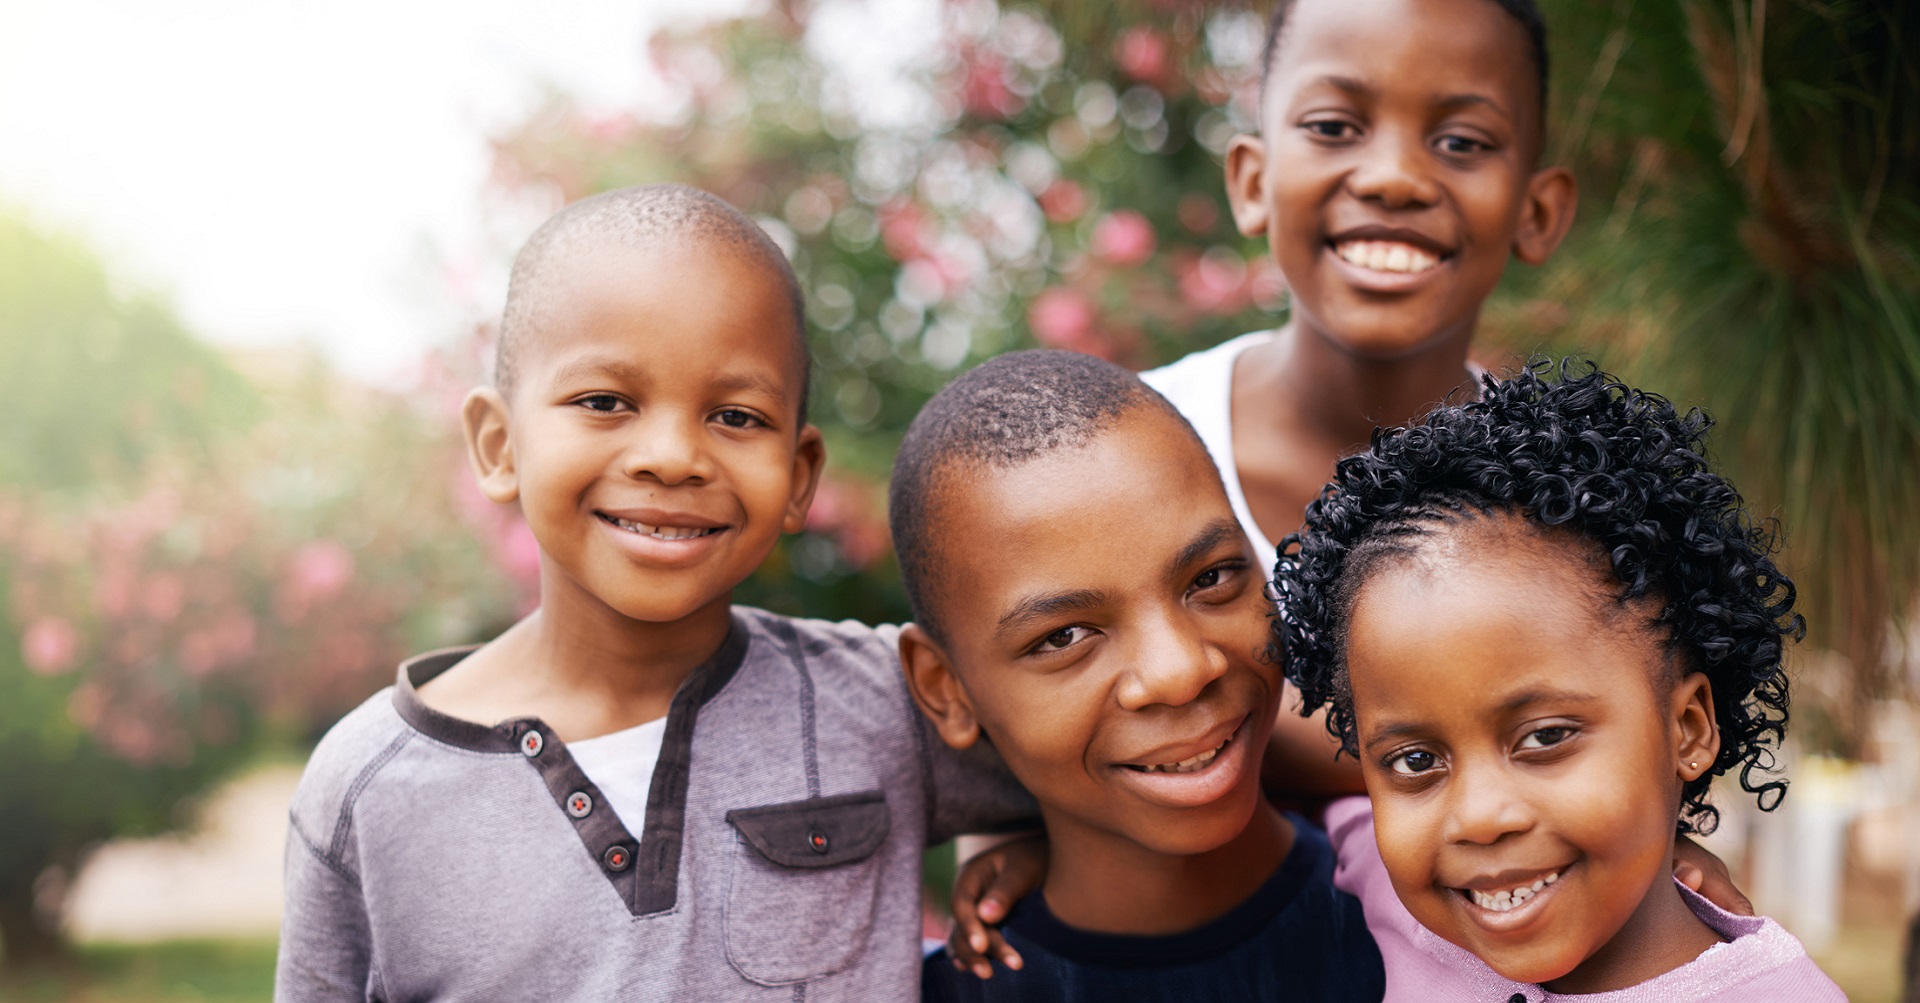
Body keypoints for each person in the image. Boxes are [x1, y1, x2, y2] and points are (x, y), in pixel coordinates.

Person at [274, 184, 1036, 1002]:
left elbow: (1110, 768)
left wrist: (1036, 842)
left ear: (799, 477)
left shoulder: (884, 703)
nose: (672, 456)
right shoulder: (368, 789)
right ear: (500, 446)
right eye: (605, 402)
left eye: (736, 416)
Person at [1270, 360, 1846, 1000]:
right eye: (1415, 759)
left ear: (1686, 728)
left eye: (1544, 738)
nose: (1480, 819)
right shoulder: (1406, 897)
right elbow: (1260, 741)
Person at [895, 351, 1386, 1001]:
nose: (1181, 671)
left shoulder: (1444, 925)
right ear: (945, 689)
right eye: (1064, 636)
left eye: (1211, 577)